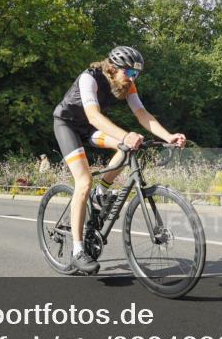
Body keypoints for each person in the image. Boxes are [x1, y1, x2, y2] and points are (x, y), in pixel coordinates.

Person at [53, 45, 186, 274]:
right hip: (68, 125)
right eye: (130, 73)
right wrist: (125, 135)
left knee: (126, 149)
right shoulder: (89, 78)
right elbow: (93, 116)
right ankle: (77, 251)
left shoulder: (128, 84)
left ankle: (101, 192)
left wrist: (168, 136)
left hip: (90, 128)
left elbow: (142, 114)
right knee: (83, 182)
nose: (133, 78)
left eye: (136, 74)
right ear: (113, 68)